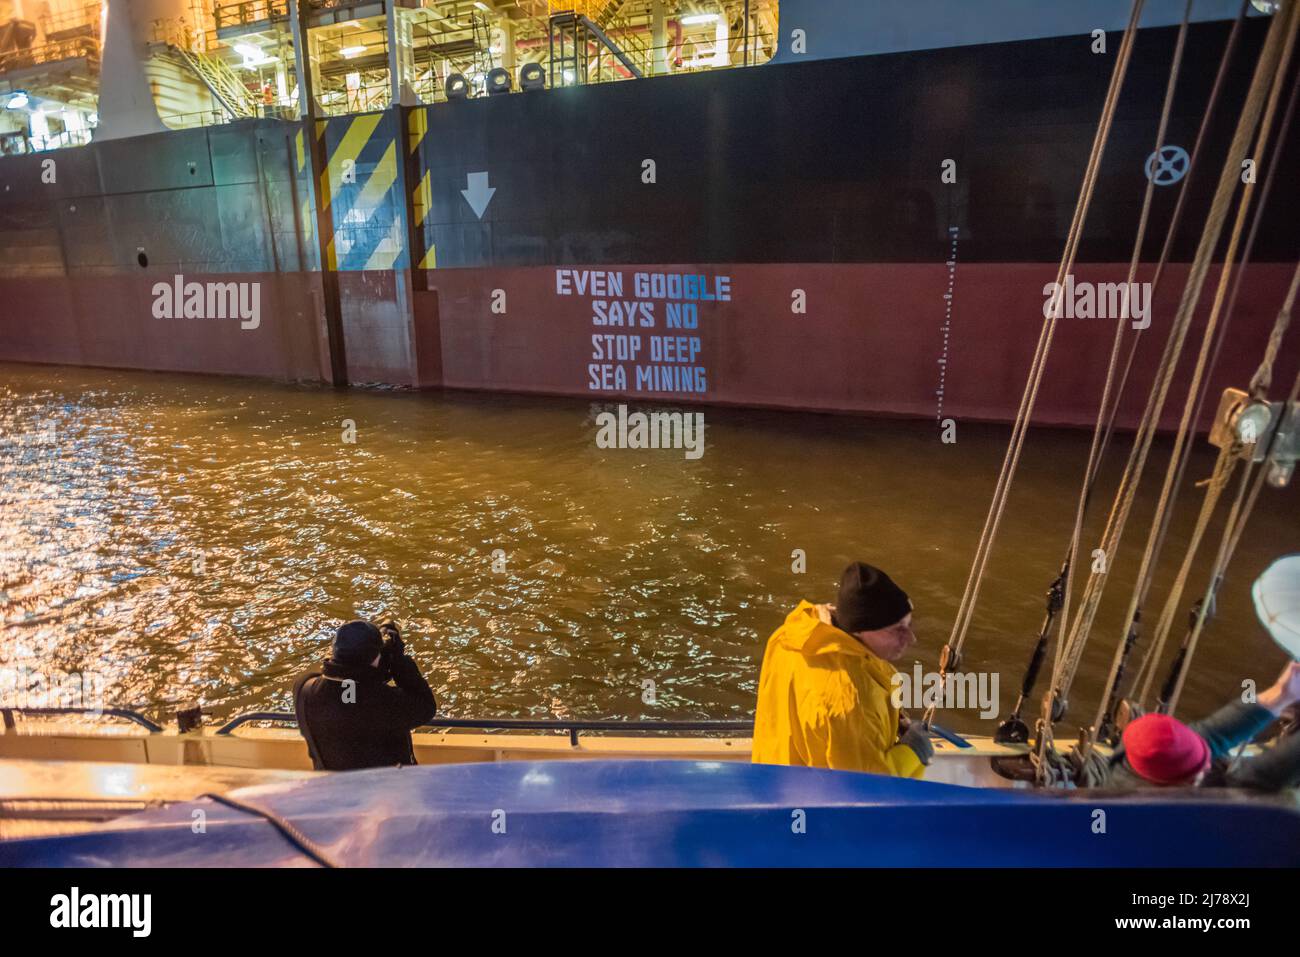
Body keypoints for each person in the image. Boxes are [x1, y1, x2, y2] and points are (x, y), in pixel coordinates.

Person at [752, 561, 932, 777]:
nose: (910, 638)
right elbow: (867, 787)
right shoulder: (849, 699)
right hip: (814, 800)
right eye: (897, 630)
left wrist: (888, 721)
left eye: (909, 624)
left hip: (773, 779)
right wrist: (912, 751)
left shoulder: (794, 635)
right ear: (860, 630)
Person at [1104, 660, 1300, 789]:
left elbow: (1211, 735)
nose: (1208, 765)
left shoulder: (1131, 760)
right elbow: (1263, 775)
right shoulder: (1197, 809)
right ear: (1180, 784)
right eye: (1200, 768)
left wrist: (1282, 694)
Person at [293, 619, 437, 771]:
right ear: (375, 658)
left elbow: (344, 688)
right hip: (384, 790)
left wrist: (375, 668)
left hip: (332, 787)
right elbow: (425, 706)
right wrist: (399, 661)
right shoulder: (383, 703)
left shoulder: (304, 688)